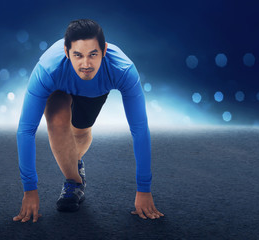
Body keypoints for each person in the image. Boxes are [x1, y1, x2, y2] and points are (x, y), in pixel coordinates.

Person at [13, 19, 164, 223]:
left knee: (80, 133)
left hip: (94, 91)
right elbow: (26, 130)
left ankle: (75, 163)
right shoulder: (48, 69)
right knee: (57, 122)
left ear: (104, 50)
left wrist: (144, 190)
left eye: (93, 54)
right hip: (59, 86)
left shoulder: (123, 69)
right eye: (78, 55)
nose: (86, 64)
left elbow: (139, 129)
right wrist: (29, 190)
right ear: (67, 53)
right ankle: (74, 182)